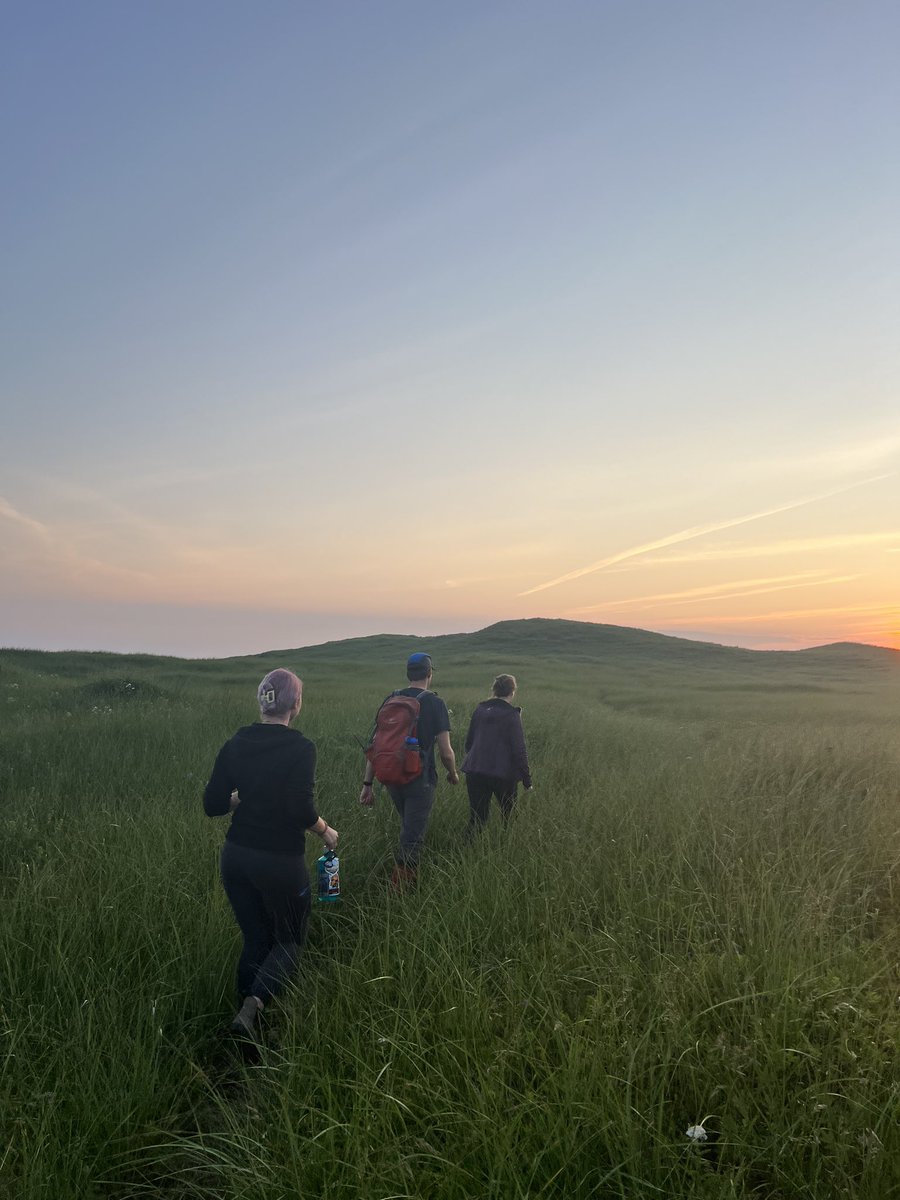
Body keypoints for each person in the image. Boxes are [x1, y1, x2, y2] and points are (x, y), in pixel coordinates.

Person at [203, 668, 338, 1038]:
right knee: (290, 940)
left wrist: (241, 798)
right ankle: (255, 1006)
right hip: (279, 860)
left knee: (256, 939)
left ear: (261, 700)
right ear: (296, 704)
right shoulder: (301, 747)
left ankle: (243, 1022)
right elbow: (300, 809)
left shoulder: (236, 743)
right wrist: (326, 831)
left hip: (236, 857)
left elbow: (213, 804)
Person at [359, 651, 458, 889]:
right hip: (419, 779)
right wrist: (453, 773)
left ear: (408, 673)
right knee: (412, 836)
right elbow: (446, 751)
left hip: (391, 776)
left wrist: (367, 784)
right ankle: (401, 891)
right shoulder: (435, 702)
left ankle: (405, 880)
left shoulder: (392, 698)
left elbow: (377, 745)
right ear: (429, 673)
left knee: (408, 826)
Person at [461, 674, 532, 836]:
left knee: (477, 819)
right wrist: (527, 781)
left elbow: (469, 743)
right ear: (512, 692)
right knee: (509, 817)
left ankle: (464, 849)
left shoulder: (480, 709)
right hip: (503, 775)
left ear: (494, 690)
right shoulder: (512, 715)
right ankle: (506, 847)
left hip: (475, 771)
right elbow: (519, 750)